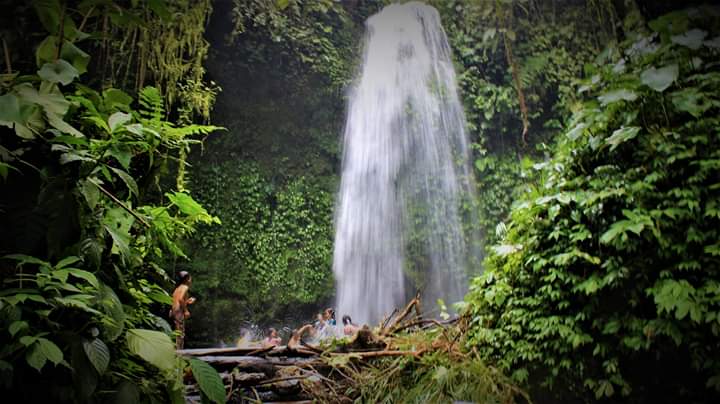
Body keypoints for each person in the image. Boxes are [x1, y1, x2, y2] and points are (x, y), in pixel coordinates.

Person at [171, 271, 196, 350]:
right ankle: (179, 352)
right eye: (190, 278)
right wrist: (186, 310)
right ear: (187, 279)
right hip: (178, 311)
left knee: (177, 331)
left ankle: (177, 350)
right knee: (180, 332)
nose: (191, 280)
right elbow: (180, 299)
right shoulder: (185, 287)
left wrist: (188, 301)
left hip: (173, 310)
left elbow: (177, 300)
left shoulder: (177, 288)